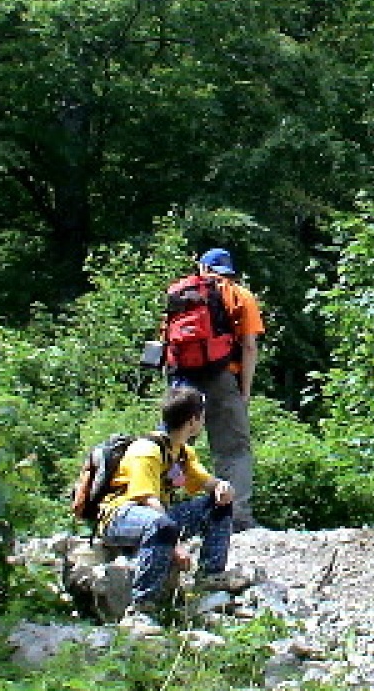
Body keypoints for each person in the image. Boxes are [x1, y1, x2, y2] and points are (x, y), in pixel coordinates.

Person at [98, 386, 244, 633]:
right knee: (162, 524)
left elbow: (204, 482)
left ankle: (210, 576)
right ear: (192, 421)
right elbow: (147, 499)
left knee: (217, 504)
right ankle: (141, 609)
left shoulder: (181, 452)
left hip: (154, 516)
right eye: (202, 416)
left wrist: (222, 487)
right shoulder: (146, 451)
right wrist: (175, 545)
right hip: (119, 516)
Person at [167, 248, 265, 532]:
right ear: (228, 270)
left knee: (173, 445)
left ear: (203, 268)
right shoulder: (239, 295)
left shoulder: (180, 293)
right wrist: (244, 390)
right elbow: (249, 346)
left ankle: (161, 511)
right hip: (222, 377)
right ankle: (235, 517)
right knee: (233, 449)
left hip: (182, 377)